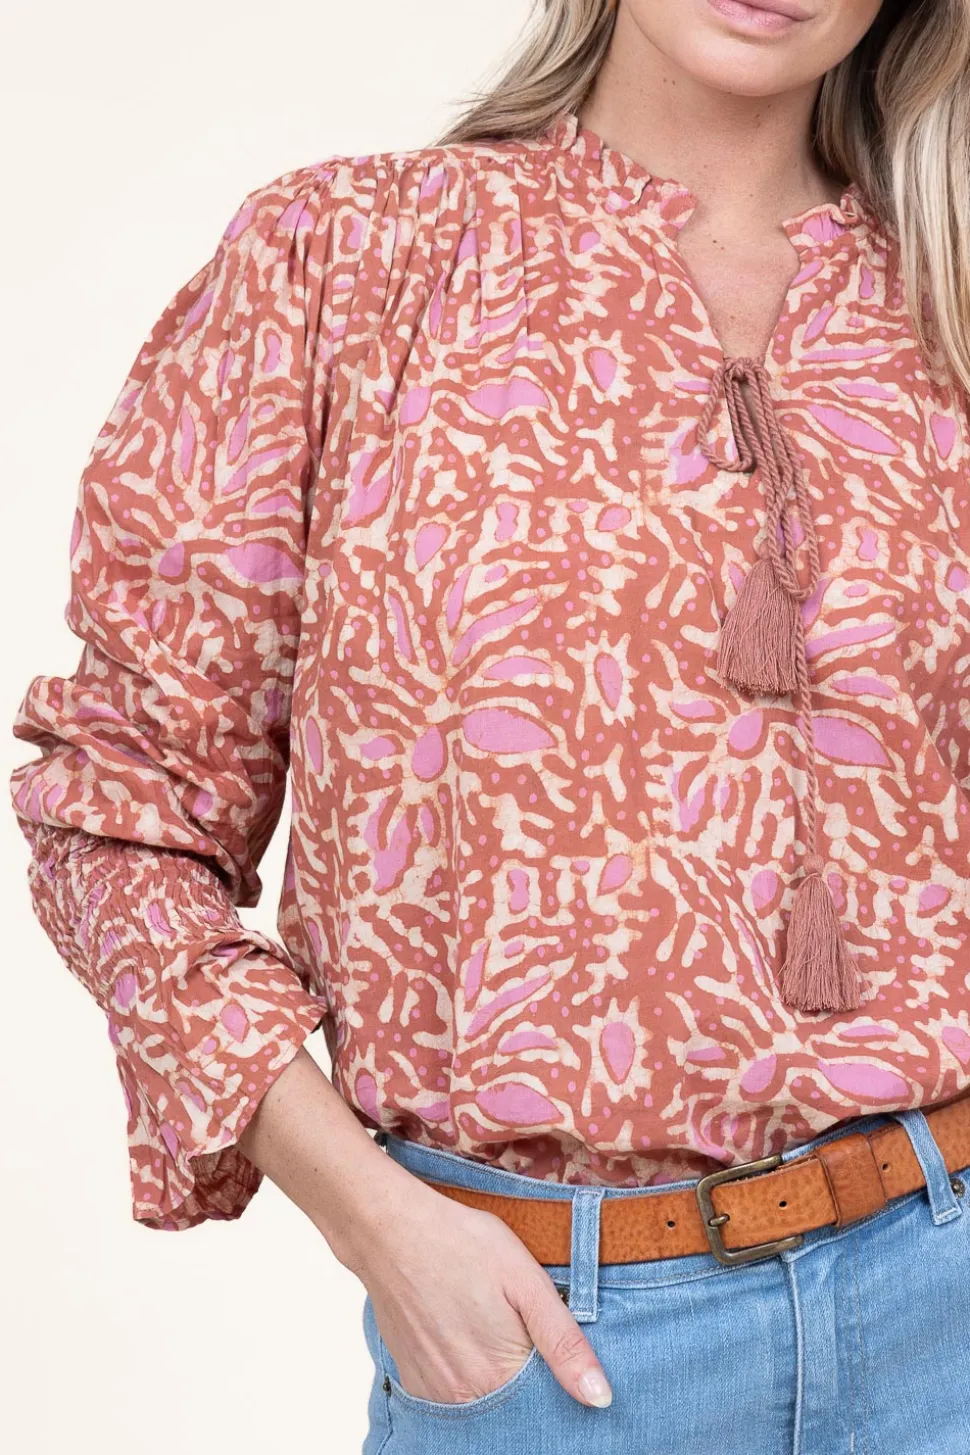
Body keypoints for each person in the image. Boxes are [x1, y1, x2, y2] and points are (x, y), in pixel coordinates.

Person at [10, 0, 970, 1449]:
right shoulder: (350, 259)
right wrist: (377, 1221)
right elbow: (120, 809)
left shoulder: (940, 295)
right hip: (561, 1346)